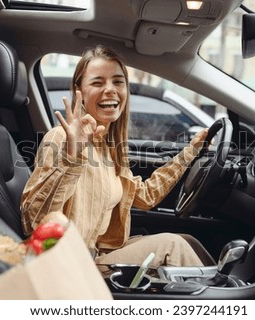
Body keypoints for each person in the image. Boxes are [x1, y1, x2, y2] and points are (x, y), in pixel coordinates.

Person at [20, 45, 215, 270]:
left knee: (188, 241)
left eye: (118, 81)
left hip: (101, 253)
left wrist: (190, 153)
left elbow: (145, 196)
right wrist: (71, 157)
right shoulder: (61, 139)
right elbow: (34, 221)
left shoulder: (107, 146)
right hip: (72, 263)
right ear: (79, 91)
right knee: (173, 245)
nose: (110, 89)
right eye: (97, 82)